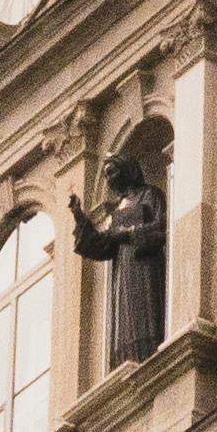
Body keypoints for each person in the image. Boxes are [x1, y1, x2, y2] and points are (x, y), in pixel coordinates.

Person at [68, 154, 169, 373]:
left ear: (127, 169)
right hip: (124, 269)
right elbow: (102, 244)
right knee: (126, 317)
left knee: (146, 310)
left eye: (111, 172)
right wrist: (79, 217)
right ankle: (129, 359)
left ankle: (152, 349)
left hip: (145, 265)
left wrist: (131, 233)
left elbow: (162, 226)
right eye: (106, 175)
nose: (109, 179)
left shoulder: (151, 195)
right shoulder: (117, 209)